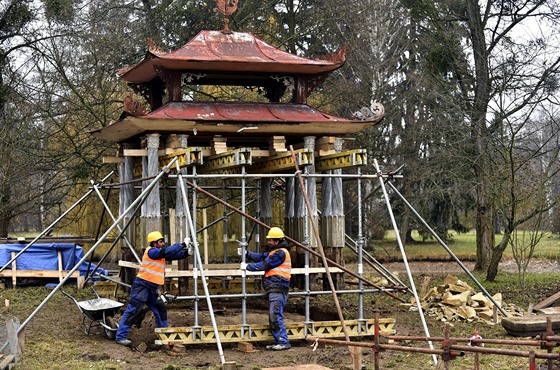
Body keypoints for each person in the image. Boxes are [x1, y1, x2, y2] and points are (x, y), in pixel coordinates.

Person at [116, 231, 190, 346]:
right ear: (154, 243)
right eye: (161, 242)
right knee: (133, 310)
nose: (163, 243)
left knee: (160, 308)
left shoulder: (159, 254)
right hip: (142, 286)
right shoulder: (152, 252)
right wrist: (181, 245)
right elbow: (168, 251)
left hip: (151, 288)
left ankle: (163, 336)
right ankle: (120, 337)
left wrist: (186, 253)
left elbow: (172, 254)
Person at [240, 227, 292, 350]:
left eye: (271, 240)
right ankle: (278, 340)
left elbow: (265, 264)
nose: (268, 242)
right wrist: (247, 254)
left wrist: (247, 267)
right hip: (274, 287)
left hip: (278, 287)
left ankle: (283, 341)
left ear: (277, 241)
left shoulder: (280, 253)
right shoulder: (275, 252)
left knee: (275, 314)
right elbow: (260, 257)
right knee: (274, 314)